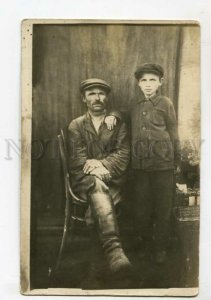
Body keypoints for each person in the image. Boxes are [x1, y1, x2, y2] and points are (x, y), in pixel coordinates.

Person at [107, 63, 181, 263]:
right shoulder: (135, 105)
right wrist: (113, 115)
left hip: (163, 165)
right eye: (144, 81)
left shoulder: (166, 103)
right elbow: (121, 111)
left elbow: (173, 132)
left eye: (152, 80)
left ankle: (161, 249)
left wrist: (176, 161)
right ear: (139, 84)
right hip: (140, 167)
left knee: (163, 208)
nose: (148, 85)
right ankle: (145, 245)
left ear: (160, 82)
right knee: (141, 208)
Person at [67, 78, 132, 287]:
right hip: (84, 181)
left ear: (107, 97)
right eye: (91, 94)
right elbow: (78, 160)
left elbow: (123, 154)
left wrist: (102, 166)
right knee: (96, 185)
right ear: (84, 99)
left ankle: (96, 271)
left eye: (101, 93)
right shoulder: (76, 125)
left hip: (112, 180)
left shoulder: (116, 123)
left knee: (96, 206)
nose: (97, 98)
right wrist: (97, 171)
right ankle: (114, 252)